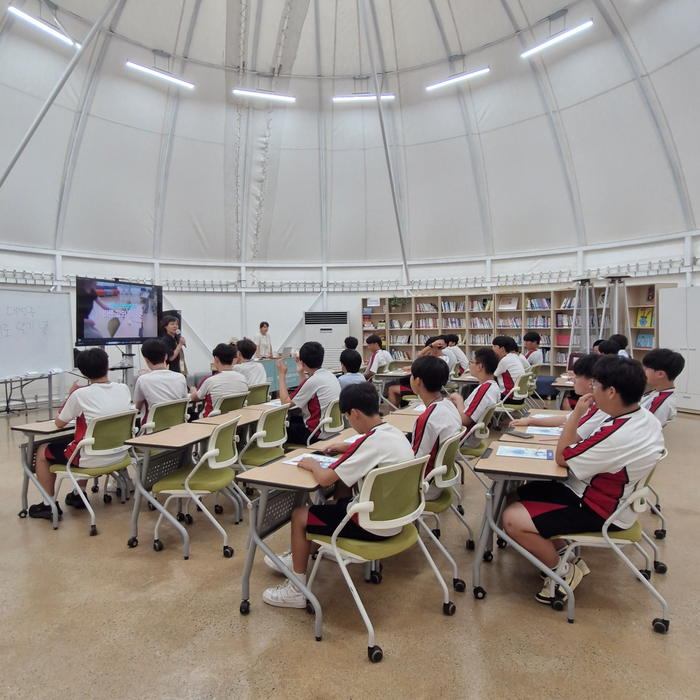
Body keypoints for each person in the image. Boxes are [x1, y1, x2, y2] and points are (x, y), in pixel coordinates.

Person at [502, 355, 664, 604]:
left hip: (599, 508)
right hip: (604, 495)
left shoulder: (617, 434)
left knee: (511, 518)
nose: (592, 389)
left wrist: (577, 411)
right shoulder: (642, 418)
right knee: (518, 494)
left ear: (611, 392)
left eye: (596, 385)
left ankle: (562, 573)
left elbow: (562, 456)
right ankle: (565, 555)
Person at [261, 382, 414, 608]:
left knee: (300, 515)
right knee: (332, 503)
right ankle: (297, 554)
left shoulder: (371, 442)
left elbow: (325, 479)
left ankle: (296, 591)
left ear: (354, 413)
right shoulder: (392, 433)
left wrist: (313, 464)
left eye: (347, 417)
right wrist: (349, 448)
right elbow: (370, 449)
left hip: (372, 526)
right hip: (396, 517)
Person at [28, 348, 132, 520]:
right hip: (120, 455)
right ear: (107, 367)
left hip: (90, 458)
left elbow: (59, 422)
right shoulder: (123, 389)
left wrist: (70, 396)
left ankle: (48, 505)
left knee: (42, 451)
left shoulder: (80, 394)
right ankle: (79, 494)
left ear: (83, 373)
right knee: (82, 441)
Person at [511, 354, 609, 439]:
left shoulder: (600, 408)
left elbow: (575, 437)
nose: (573, 380)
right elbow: (565, 419)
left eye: (577, 377)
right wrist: (530, 420)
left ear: (591, 382)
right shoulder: (591, 402)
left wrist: (569, 427)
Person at [409, 356, 463, 500]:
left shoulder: (427, 419)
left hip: (424, 486)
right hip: (439, 477)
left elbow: (415, 460)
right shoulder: (449, 405)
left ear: (418, 381)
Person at [277, 341, 341, 444]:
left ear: (302, 362)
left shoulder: (314, 380)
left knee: (279, 429)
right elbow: (308, 389)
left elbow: (285, 403)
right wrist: (301, 372)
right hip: (330, 429)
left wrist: (282, 375)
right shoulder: (330, 376)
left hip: (315, 434)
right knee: (293, 420)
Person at [448, 348, 500, 446]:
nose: (470, 365)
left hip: (462, 437)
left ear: (480, 366)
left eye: (472, 362)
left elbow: (465, 420)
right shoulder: (491, 386)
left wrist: (459, 399)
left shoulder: (484, 390)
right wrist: (456, 403)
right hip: (463, 432)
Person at [386, 337, 449, 410]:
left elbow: (419, 355)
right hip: (431, 386)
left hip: (423, 387)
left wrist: (431, 345)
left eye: (428, 348)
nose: (427, 351)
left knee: (392, 388)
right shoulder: (442, 359)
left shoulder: (434, 361)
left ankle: (392, 412)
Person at [133, 338, 189, 416]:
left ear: (146, 360)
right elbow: (184, 400)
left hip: (153, 423)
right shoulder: (180, 377)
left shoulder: (142, 379)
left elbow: (138, 407)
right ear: (166, 357)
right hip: (178, 422)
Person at [190, 343, 248, 417]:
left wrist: (193, 390)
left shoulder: (210, 380)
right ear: (234, 360)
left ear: (216, 359)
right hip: (235, 418)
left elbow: (194, 398)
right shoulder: (242, 378)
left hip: (211, 420)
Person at [641, 348, 685, 425]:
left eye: (646, 368)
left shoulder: (661, 402)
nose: (644, 371)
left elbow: (647, 427)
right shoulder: (657, 392)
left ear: (660, 374)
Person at [492, 335, 525, 404]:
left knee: (484, 393)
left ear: (502, 349)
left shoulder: (505, 360)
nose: (492, 349)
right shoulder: (515, 357)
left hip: (509, 397)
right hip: (519, 396)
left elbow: (492, 376)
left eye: (494, 346)